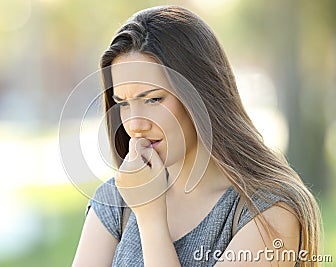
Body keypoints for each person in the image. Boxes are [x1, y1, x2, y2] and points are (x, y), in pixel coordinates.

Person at [73, 5, 320, 267]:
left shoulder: (269, 212)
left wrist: (151, 219)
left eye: (154, 99)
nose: (134, 125)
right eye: (123, 103)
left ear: (201, 94)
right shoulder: (115, 201)